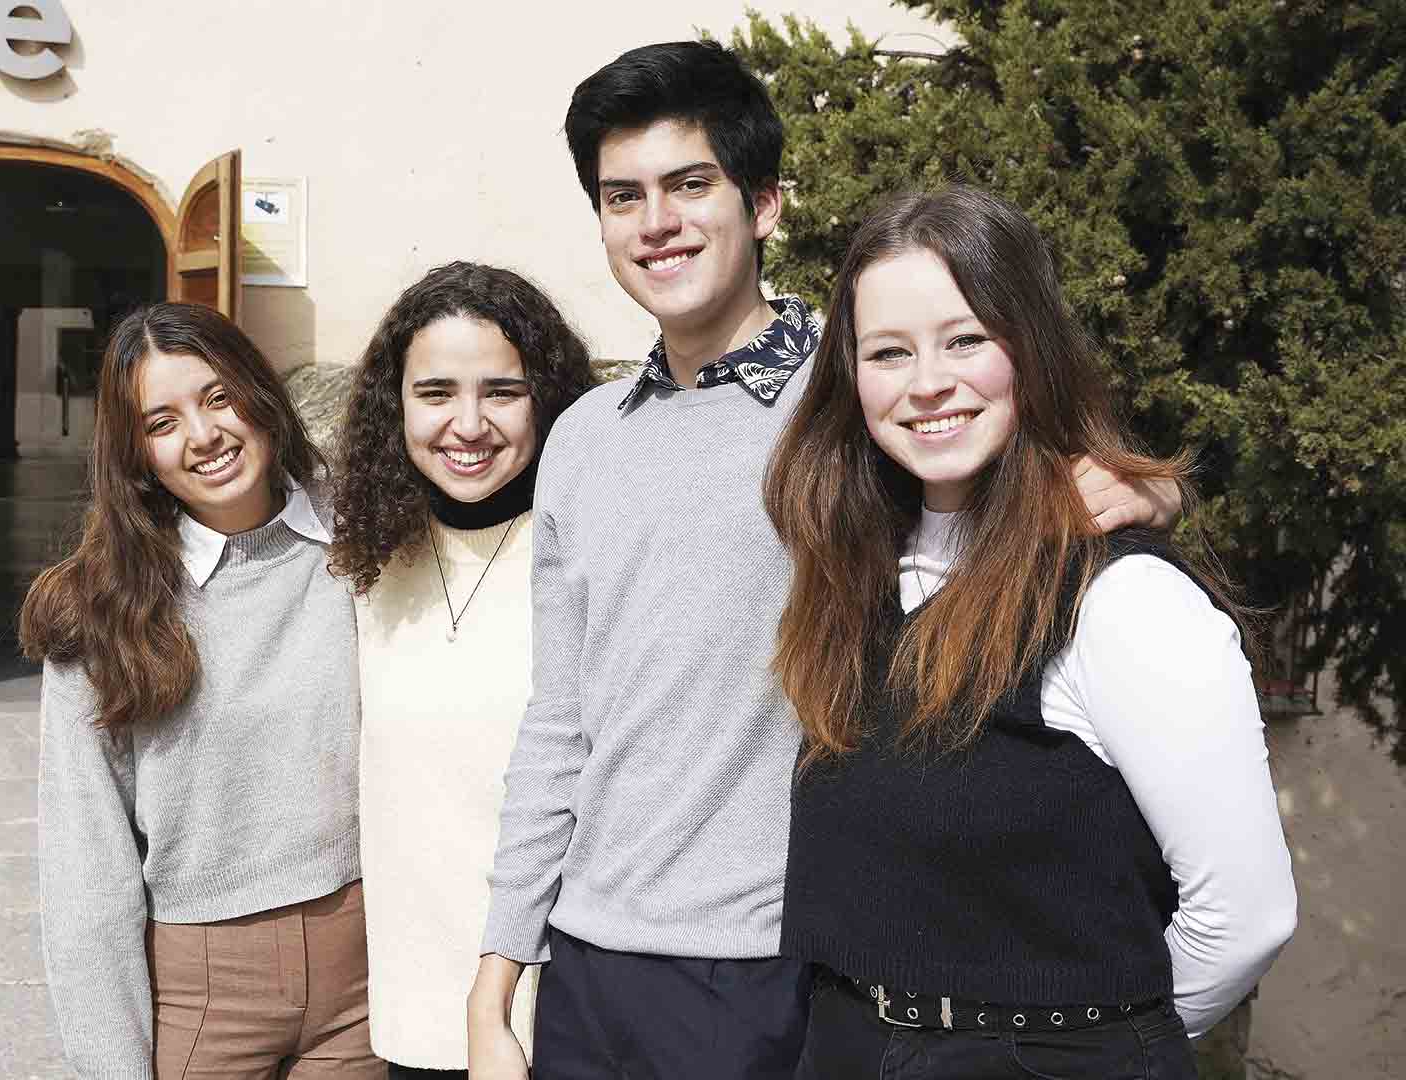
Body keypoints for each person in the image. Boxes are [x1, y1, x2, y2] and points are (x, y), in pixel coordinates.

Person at [465, 41, 1184, 1080]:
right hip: (588, 965)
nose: (655, 222)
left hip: (779, 968)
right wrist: (499, 976)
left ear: (765, 205)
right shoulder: (581, 437)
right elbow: (560, 719)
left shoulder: (858, 400)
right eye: (623, 197)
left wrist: (1147, 491)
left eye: (689, 184)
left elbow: (1025, 475)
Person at [763, 185, 1297, 1079]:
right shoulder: (853, 577)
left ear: (1032, 349)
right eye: (889, 352)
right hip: (846, 1045)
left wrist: (1092, 1045)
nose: (928, 382)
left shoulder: (1119, 598)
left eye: (965, 338)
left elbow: (1247, 917)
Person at [22, 302, 381, 1080]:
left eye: (218, 398)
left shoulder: (364, 540)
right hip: (206, 990)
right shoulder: (98, 608)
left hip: (366, 974)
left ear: (259, 394)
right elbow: (85, 864)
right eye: (162, 421)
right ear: (136, 454)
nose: (203, 437)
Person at [327, 262, 598, 1080]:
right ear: (396, 405)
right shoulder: (362, 561)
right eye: (437, 392)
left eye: (503, 392)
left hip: (560, 1010)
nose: (468, 424)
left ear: (547, 402)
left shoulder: (589, 551)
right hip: (411, 1010)